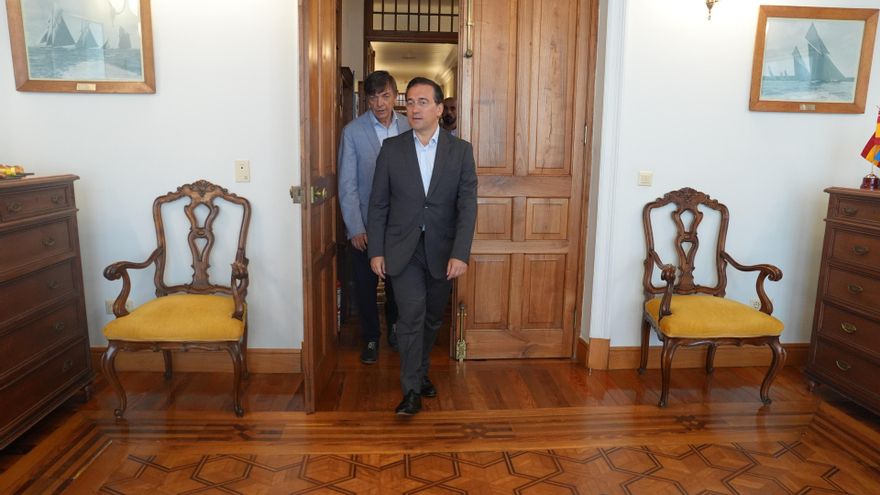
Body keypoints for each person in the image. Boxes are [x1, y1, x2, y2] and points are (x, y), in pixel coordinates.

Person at [367, 77, 477, 415]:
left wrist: (460, 252)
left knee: (431, 319)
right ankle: (411, 390)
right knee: (412, 317)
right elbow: (378, 204)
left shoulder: (460, 151)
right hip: (404, 249)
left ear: (439, 109)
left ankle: (421, 370)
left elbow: (467, 205)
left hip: (442, 251)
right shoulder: (392, 149)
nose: (414, 108)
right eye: (411, 102)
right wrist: (377, 251)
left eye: (422, 102)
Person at [338, 70, 410, 364]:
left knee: (398, 284)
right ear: (365, 100)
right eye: (372, 97)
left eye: (385, 95)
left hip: (401, 225)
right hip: (366, 224)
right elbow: (347, 184)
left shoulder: (409, 126)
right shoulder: (353, 132)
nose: (379, 103)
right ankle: (370, 337)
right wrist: (355, 227)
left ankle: (394, 327)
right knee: (366, 285)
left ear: (395, 96)